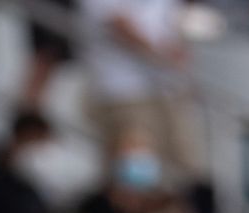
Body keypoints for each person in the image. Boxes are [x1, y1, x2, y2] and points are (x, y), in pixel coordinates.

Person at [80, 0, 204, 178]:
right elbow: (117, 25)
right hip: (123, 92)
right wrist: (163, 55)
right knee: (138, 174)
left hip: (169, 89)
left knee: (184, 165)